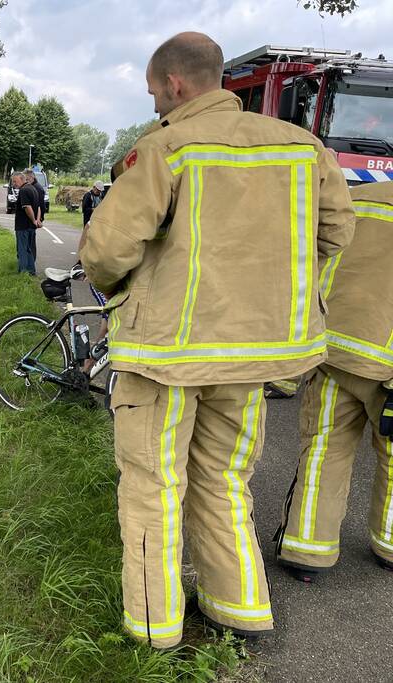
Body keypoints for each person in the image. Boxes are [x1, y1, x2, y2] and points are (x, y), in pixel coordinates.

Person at [79, 32, 355, 649]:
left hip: (167, 357)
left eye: (154, 92)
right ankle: (240, 610)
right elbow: (336, 233)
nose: (155, 104)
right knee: (225, 481)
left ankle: (153, 631)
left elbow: (104, 252)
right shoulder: (303, 148)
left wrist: (127, 282)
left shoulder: (167, 147)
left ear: (175, 83)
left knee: (153, 486)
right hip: (250, 359)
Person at [275, 181, 393, 581]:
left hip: (335, 350)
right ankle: (388, 547)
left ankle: (307, 552)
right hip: (389, 368)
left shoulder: (357, 197)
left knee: (326, 450)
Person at [11, 172, 41, 275]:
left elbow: (28, 207)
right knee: (29, 249)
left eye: (15, 181)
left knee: (22, 249)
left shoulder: (23, 190)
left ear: (22, 179)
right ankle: (31, 271)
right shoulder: (33, 188)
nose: (13, 183)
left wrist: (33, 220)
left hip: (23, 226)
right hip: (31, 226)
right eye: (13, 181)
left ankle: (23, 271)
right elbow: (38, 207)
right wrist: (37, 220)